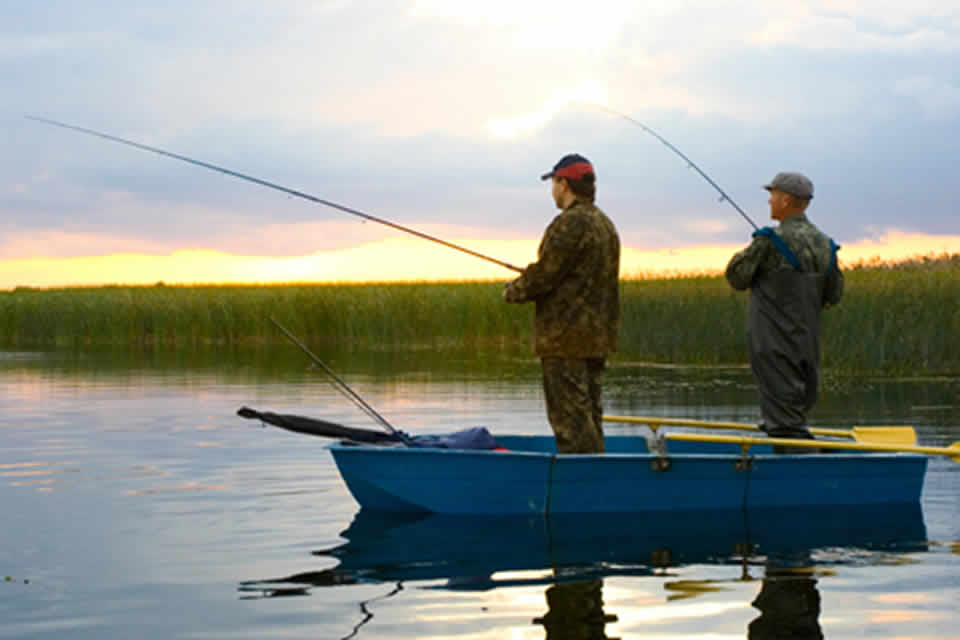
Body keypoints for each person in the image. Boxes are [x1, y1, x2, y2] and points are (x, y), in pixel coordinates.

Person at [504, 153, 621, 454]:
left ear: (564, 183)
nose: (552, 190)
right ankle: (597, 481)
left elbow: (544, 275)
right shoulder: (605, 225)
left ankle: (584, 488)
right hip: (597, 339)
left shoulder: (569, 224)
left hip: (565, 340)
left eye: (554, 182)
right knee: (590, 417)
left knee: (571, 423)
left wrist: (513, 290)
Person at [726, 172, 843, 445]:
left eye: (773, 195)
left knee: (783, 422)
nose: (769, 201)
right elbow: (834, 295)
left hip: (772, 342)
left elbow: (736, 277)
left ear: (786, 200)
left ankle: (793, 470)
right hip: (807, 343)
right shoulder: (827, 245)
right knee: (794, 410)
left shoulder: (769, 241)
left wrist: (753, 249)